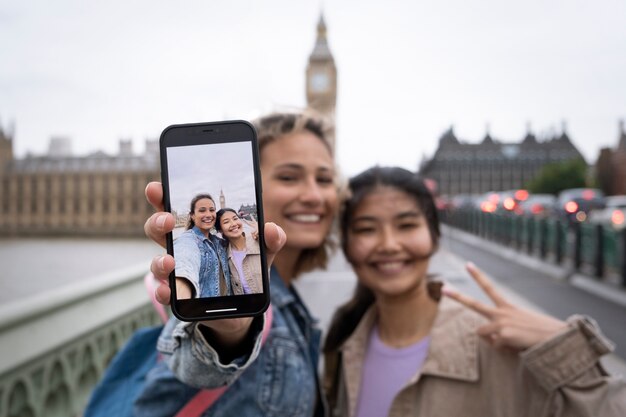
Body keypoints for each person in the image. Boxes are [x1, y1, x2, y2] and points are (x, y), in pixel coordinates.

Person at [322, 166, 626, 417]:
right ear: (346, 246)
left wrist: (564, 348)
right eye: (366, 229)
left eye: (406, 225)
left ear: (434, 237)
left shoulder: (503, 347)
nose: (388, 244)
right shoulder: (342, 342)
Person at [137, 109, 339, 416]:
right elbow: (191, 364)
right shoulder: (207, 249)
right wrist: (228, 334)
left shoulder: (285, 298)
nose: (313, 194)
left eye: (324, 179)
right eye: (289, 177)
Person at [173, 193, 232, 299]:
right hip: (204, 312)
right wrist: (183, 295)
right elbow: (184, 258)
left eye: (212, 210)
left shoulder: (218, 242)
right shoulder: (188, 240)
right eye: (202, 210)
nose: (208, 214)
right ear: (192, 215)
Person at [215, 207, 262, 295]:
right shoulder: (224, 256)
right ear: (220, 230)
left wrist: (265, 229)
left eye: (235, 218)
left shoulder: (258, 240)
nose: (233, 224)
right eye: (226, 222)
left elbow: (279, 238)